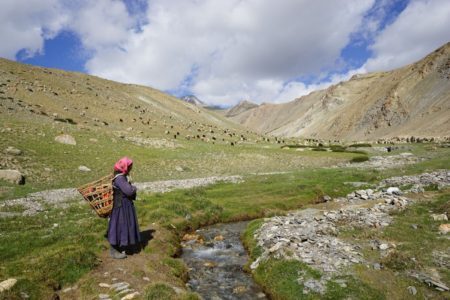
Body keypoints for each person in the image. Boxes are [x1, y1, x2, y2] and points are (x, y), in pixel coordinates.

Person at [107, 157, 141, 259]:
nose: (131, 168)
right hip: (120, 206)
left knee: (124, 225)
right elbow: (129, 191)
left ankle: (124, 245)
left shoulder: (120, 177)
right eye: (130, 166)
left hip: (122, 205)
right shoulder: (120, 178)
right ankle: (114, 250)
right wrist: (134, 188)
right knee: (119, 226)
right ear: (125, 167)